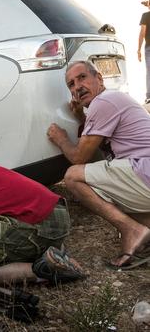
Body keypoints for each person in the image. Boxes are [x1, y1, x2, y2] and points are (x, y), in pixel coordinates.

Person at [47, 60, 150, 269]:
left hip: (144, 172)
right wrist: (79, 116)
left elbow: (79, 158)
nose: (77, 87)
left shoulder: (104, 102)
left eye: (82, 77)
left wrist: (61, 139)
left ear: (99, 78)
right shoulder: (110, 101)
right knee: (100, 180)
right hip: (143, 173)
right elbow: (102, 149)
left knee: (74, 175)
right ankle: (144, 228)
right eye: (71, 84)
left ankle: (132, 230)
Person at [138, 0, 150, 104]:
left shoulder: (146, 16)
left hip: (149, 47)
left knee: (149, 71)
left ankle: (149, 96)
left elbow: (142, 33)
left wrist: (138, 50)